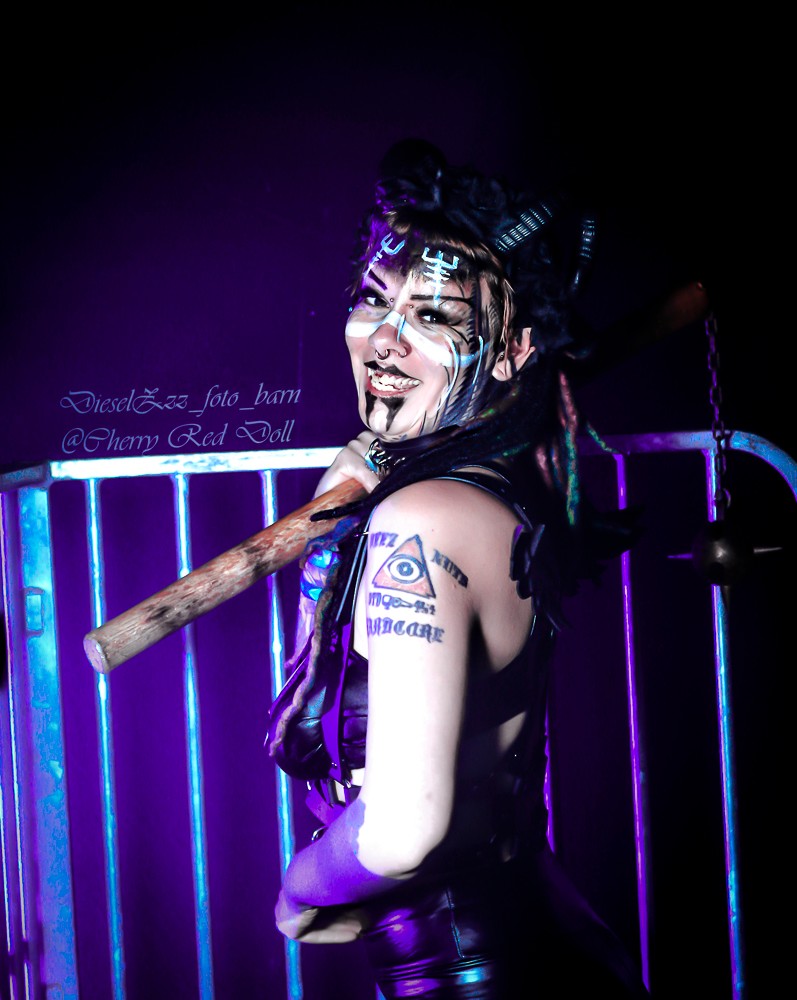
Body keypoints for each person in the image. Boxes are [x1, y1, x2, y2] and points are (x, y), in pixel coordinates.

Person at [265, 139, 649, 998]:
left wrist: (299, 892)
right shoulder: (457, 493)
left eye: (434, 316)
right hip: (509, 942)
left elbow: (403, 830)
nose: (383, 339)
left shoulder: (423, 520)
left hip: (495, 966)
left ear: (511, 352)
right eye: (374, 299)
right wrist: (342, 494)